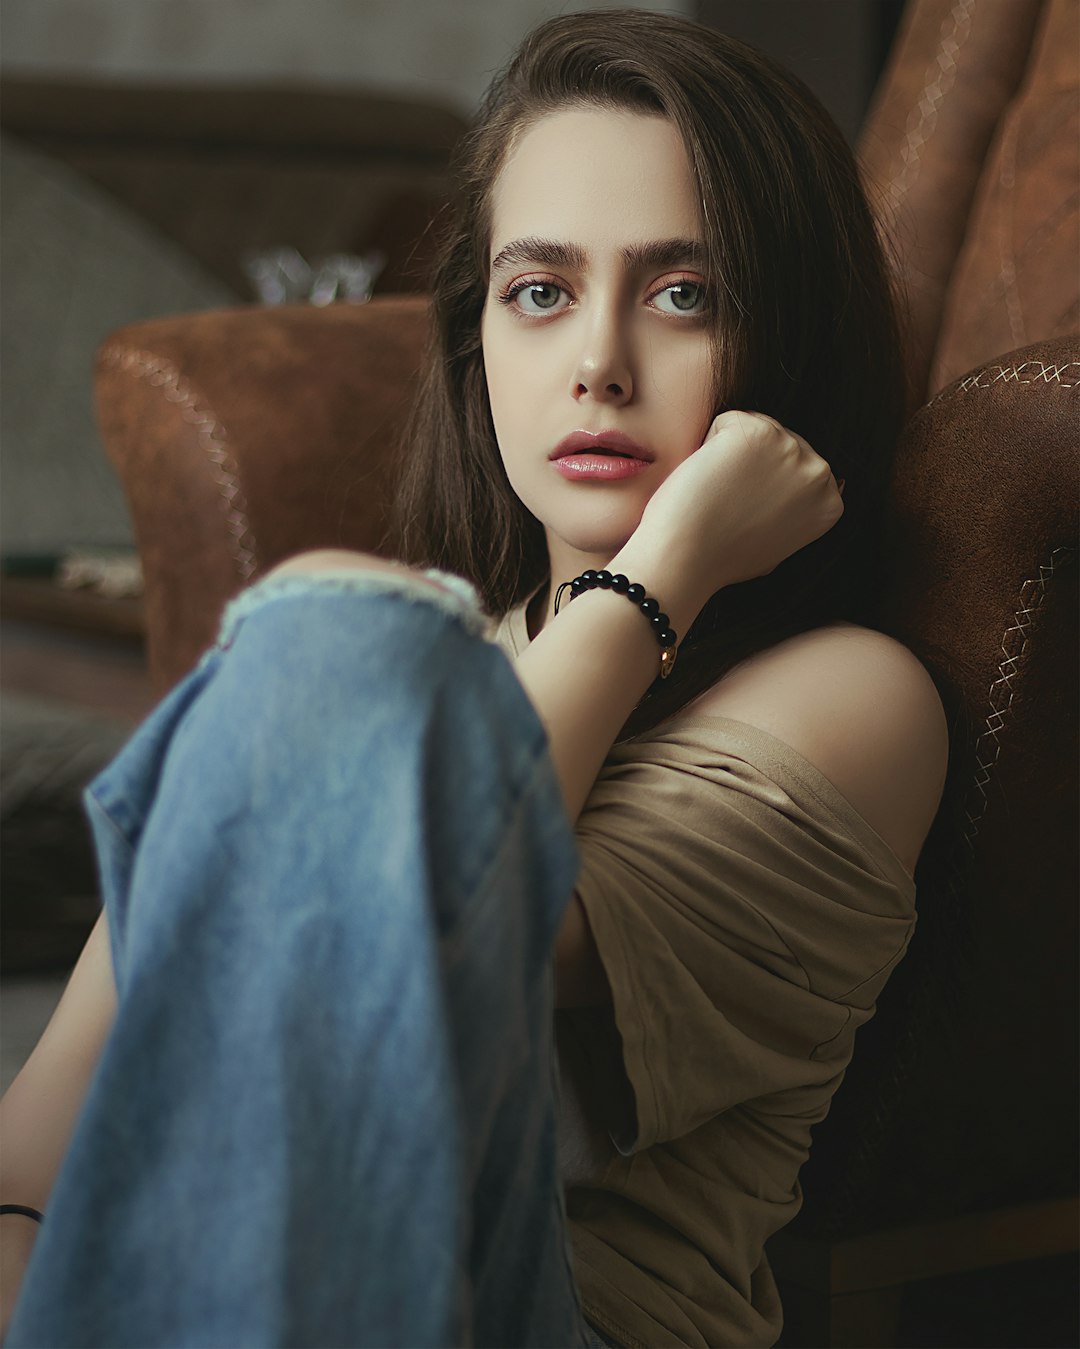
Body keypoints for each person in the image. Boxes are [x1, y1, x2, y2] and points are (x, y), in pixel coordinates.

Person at [0, 9, 949, 1347]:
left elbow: (409, 931)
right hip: (187, 1290)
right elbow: (31, 1159)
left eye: (686, 293)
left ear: (785, 343)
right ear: (479, 342)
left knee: (341, 641)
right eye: (540, 291)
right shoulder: (376, 684)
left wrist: (668, 568)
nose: (600, 362)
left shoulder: (857, 697)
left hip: (549, 1312)